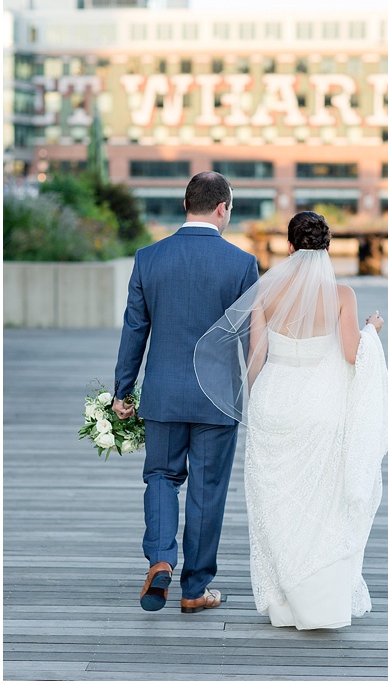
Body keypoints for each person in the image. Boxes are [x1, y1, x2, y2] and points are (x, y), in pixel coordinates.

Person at [194, 211, 388, 630]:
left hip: (274, 399)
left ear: (288, 247)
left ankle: (284, 604)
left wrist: (254, 403)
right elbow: (352, 354)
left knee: (275, 500)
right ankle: (320, 600)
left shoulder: (266, 292)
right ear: (327, 248)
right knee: (322, 499)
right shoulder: (342, 295)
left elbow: (256, 356)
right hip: (318, 404)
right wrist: (373, 329)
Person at [112, 171, 259, 613]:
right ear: (222, 208)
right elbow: (253, 339)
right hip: (218, 399)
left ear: (185, 205)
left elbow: (135, 328)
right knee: (206, 490)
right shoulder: (241, 264)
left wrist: (123, 389)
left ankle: (160, 559)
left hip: (163, 394)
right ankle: (195, 589)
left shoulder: (148, 258)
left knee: (160, 477)